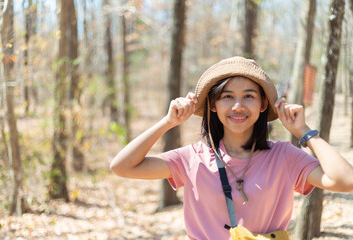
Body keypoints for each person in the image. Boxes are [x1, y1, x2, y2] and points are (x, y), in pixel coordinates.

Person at [110, 56, 353, 239]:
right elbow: (122, 167)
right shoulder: (192, 158)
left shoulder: (284, 156)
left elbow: (345, 180)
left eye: (249, 96)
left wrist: (304, 132)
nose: (238, 106)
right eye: (227, 97)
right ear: (213, 105)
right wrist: (167, 122)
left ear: (262, 105)